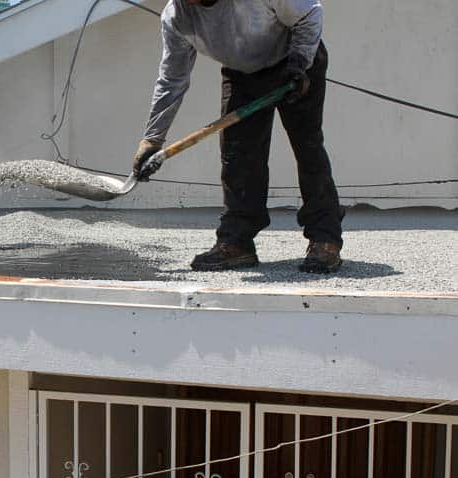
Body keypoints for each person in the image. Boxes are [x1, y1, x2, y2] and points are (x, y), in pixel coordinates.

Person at [133, 0, 344, 273]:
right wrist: (152, 140)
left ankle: (325, 239)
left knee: (308, 147)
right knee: (238, 157)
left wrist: (300, 64)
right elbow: (172, 79)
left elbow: (310, 13)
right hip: (243, 74)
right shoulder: (176, 17)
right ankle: (237, 242)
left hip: (295, 60)